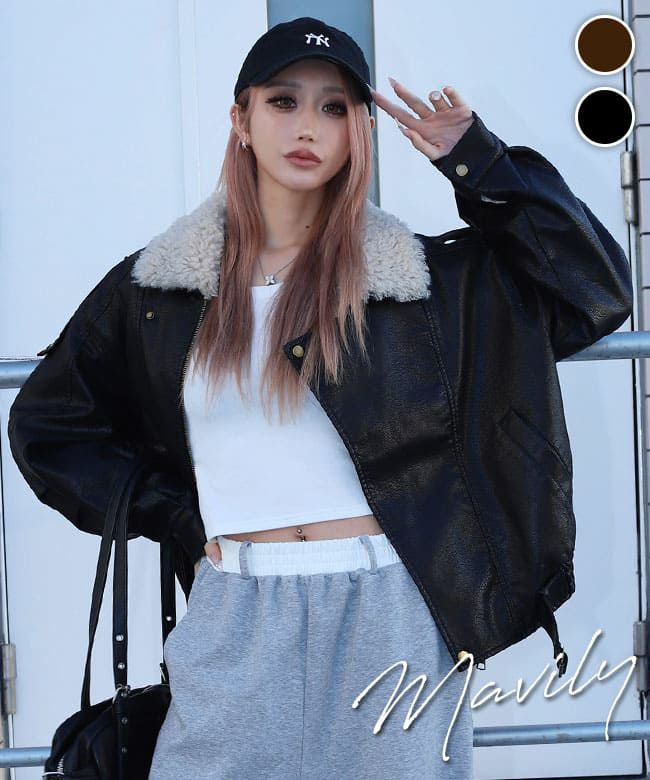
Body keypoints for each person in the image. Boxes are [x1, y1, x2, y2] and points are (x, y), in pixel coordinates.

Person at [7, 16, 633, 780]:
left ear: (358, 132)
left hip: (390, 610)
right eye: (283, 101)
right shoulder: (160, 289)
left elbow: (593, 290)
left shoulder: (418, 284)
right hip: (235, 606)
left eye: (334, 107)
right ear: (241, 119)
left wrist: (477, 161)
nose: (307, 126)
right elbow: (50, 423)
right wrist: (174, 515)